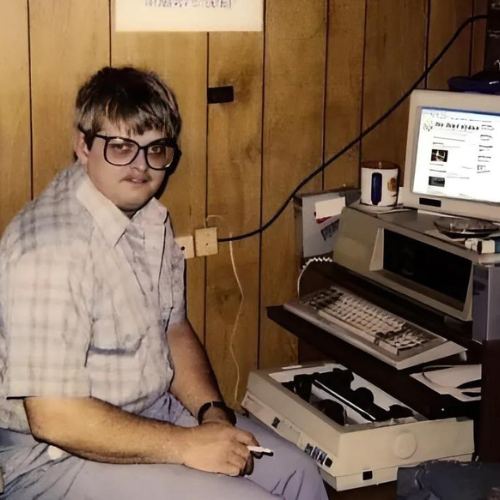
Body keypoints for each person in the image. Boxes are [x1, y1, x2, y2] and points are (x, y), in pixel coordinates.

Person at [0, 66, 328, 500]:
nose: (141, 166)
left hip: (153, 414)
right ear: (83, 145)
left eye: (156, 150)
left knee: (299, 475)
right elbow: (54, 418)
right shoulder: (50, 248)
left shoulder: (150, 217)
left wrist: (212, 415)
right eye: (121, 147)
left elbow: (172, 329)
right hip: (57, 456)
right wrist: (186, 445)